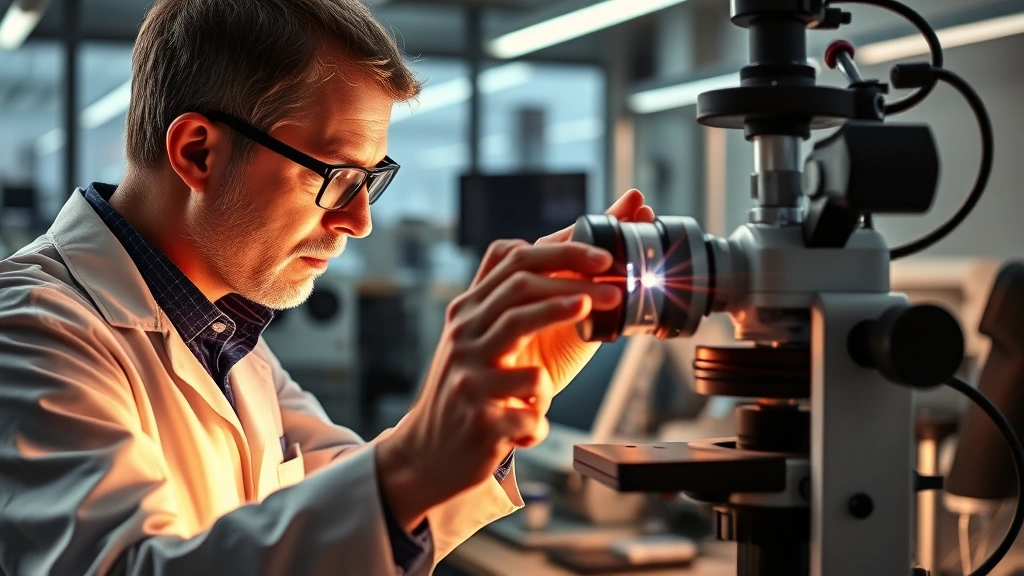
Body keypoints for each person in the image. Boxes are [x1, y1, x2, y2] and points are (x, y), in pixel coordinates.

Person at [0, 0, 657, 574]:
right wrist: (417, 454)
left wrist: (504, 399)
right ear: (199, 152)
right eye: (338, 176)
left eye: (371, 180)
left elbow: (354, 503)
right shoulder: (30, 329)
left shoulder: (221, 333)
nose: (360, 220)